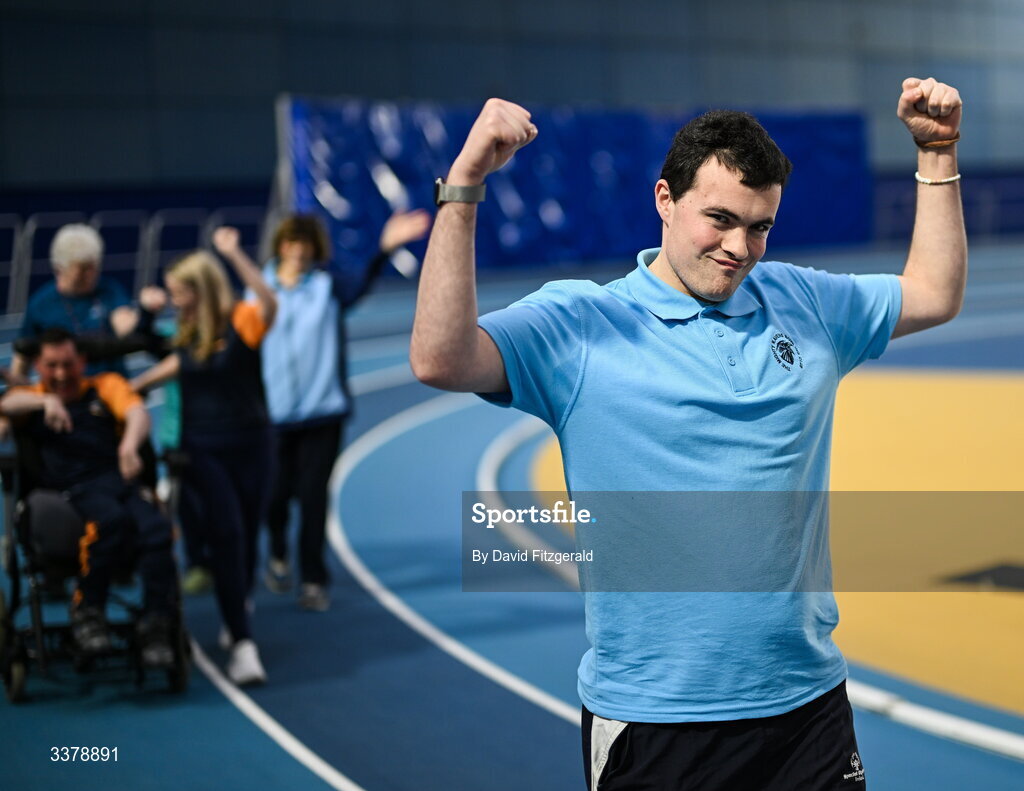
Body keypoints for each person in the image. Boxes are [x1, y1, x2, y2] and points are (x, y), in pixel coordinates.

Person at [410, 78, 966, 790]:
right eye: (721, 219)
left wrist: (937, 153)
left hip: (808, 710)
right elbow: (438, 357)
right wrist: (463, 188)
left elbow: (933, 291)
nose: (740, 247)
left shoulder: (805, 302)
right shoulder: (582, 326)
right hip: (657, 723)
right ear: (664, 201)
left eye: (760, 226)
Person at [259, 210, 430, 611]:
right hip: (272, 417)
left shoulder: (326, 287)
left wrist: (385, 248)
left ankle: (314, 579)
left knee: (314, 497)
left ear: (314, 250)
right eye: (291, 244)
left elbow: (360, 285)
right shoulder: (258, 291)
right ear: (281, 246)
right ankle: (278, 552)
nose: (298, 252)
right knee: (275, 496)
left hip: (323, 412)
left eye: (305, 245)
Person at [131, 228, 277, 686]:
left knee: (248, 535)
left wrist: (235, 254)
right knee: (227, 534)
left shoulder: (241, 321)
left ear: (201, 288)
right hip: (201, 450)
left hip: (252, 445)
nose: (174, 300)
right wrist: (122, 394)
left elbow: (269, 302)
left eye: (179, 292)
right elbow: (168, 365)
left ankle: (238, 613)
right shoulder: (185, 333)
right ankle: (244, 642)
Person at [0, 328, 179, 667]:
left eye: (68, 364)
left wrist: (128, 445)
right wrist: (45, 400)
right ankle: (88, 612)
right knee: (109, 521)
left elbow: (138, 413)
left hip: (117, 481)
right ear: (39, 365)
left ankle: (156, 623)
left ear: (81, 361)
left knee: (157, 529)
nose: (62, 374)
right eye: (52, 366)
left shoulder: (104, 386)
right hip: (70, 493)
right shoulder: (32, 397)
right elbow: (6, 403)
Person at [11, 224, 164, 381]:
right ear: (59, 268)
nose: (91, 274)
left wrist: (146, 310)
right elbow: (23, 355)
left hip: (111, 385)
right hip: (65, 389)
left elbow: (125, 328)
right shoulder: (41, 303)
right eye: (83, 269)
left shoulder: (109, 288)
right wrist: (17, 389)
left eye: (95, 266)